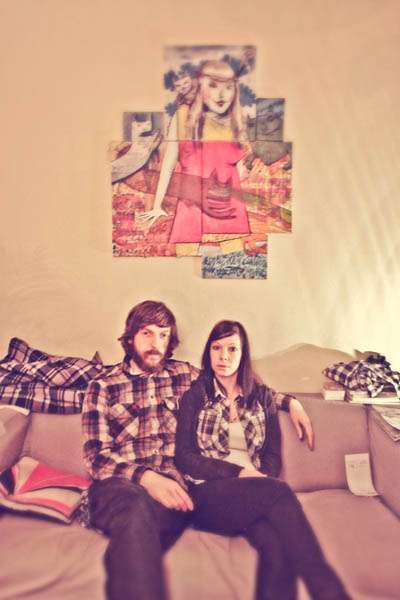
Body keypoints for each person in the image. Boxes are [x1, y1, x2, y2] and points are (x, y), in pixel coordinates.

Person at [82, 300, 314, 600]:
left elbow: (237, 382)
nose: (155, 344)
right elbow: (96, 457)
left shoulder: (185, 375)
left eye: (163, 335)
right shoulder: (103, 386)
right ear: (130, 338)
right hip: (123, 486)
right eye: (147, 333)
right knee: (136, 512)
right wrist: (148, 478)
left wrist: (290, 402)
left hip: (178, 493)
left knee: (266, 518)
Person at [175, 320, 351, 600]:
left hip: (256, 493)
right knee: (278, 490)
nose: (223, 357)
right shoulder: (195, 396)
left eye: (232, 349)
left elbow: (272, 455)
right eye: (216, 348)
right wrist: (239, 473)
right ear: (208, 353)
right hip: (207, 496)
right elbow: (184, 457)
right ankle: (328, 591)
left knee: (278, 547)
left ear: (243, 353)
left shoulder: (261, 397)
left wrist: (292, 402)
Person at [139, 60, 252, 241]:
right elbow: (168, 164)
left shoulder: (234, 121)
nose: (221, 94)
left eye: (228, 87)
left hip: (227, 205)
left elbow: (238, 162)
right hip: (191, 204)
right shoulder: (182, 116)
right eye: (213, 86)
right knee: (186, 247)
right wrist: (156, 206)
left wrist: (240, 167)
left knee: (232, 254)